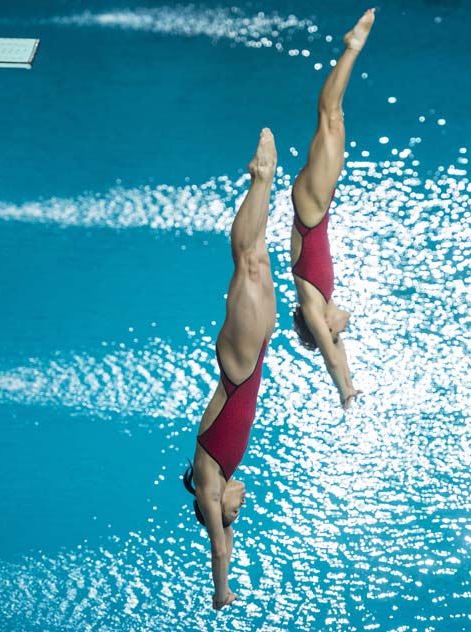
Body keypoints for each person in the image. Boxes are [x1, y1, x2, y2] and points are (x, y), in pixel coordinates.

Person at [182, 129, 277, 610]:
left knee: (245, 265)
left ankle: (260, 179)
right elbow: (229, 539)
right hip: (254, 360)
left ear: (216, 509)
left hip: (237, 367)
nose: (243, 504)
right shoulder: (220, 478)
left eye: (235, 511)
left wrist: (222, 592)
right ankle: (263, 187)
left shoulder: (209, 484)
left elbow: (220, 545)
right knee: (258, 257)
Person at [290, 9, 374, 410]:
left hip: (310, 213)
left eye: (336, 333)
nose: (344, 330)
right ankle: (351, 50)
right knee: (335, 124)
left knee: (330, 118)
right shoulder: (320, 307)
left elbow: (328, 352)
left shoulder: (314, 307)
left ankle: (351, 47)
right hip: (316, 211)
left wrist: (342, 389)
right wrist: (352, 383)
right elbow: (338, 352)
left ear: (321, 328)